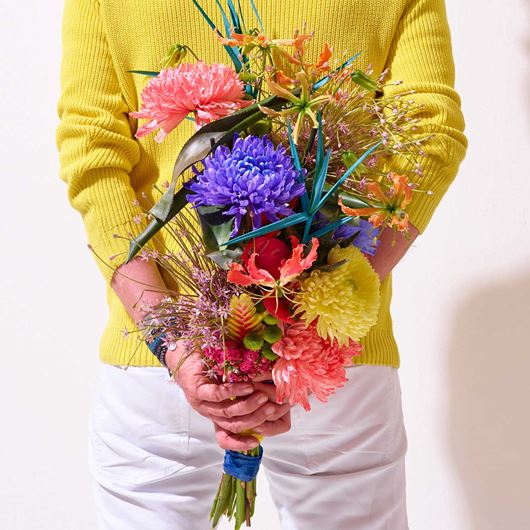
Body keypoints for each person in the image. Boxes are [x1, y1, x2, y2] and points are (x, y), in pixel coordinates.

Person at [56, 0, 467, 528]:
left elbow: (93, 156)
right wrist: (310, 319)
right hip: (331, 359)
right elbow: (431, 135)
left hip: (160, 353)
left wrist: (174, 345)